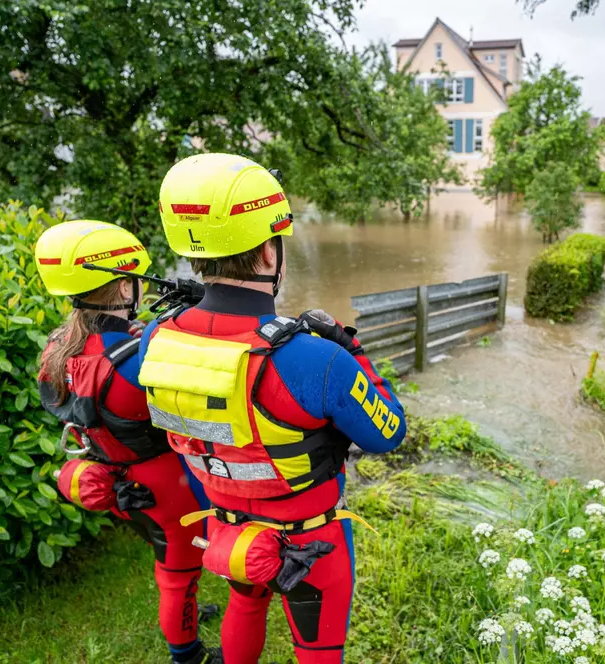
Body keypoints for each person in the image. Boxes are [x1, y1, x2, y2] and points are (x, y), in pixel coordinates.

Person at [136, 153, 407, 664]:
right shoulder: (316, 359)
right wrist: (353, 351)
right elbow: (388, 433)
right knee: (318, 650)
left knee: (245, 601)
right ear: (267, 251)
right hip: (312, 540)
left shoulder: (157, 338)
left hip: (228, 525)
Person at [34, 220, 220, 664]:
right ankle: (187, 653)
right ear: (122, 289)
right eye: (136, 280)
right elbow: (199, 417)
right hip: (166, 488)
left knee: (172, 565)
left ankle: (187, 612)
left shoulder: (59, 347)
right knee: (177, 572)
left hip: (116, 478)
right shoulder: (134, 364)